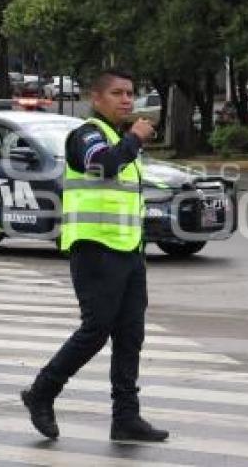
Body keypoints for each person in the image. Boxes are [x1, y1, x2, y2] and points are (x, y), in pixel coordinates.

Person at [21, 68, 168, 442]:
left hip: (128, 250)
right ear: (97, 98)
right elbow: (101, 165)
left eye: (130, 93)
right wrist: (135, 138)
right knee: (96, 329)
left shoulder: (119, 139)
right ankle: (42, 392)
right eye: (118, 93)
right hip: (95, 249)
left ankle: (126, 416)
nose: (126, 100)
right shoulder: (86, 134)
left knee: (130, 334)